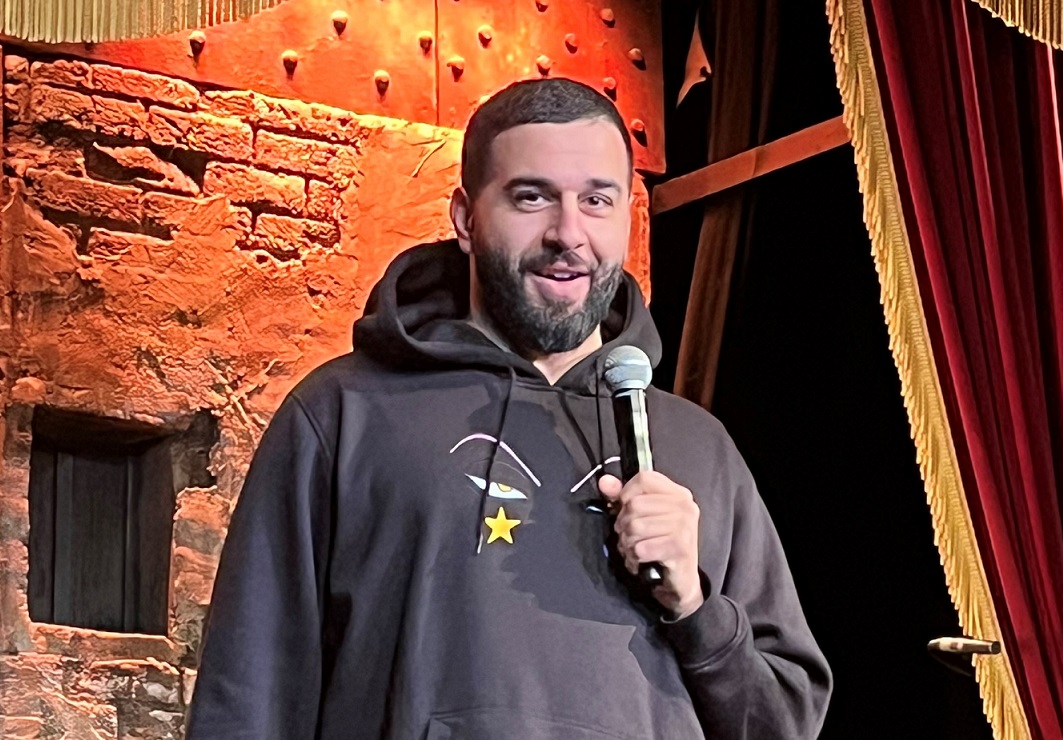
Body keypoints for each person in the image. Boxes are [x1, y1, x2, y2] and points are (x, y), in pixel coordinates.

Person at [185, 77, 831, 739]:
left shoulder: (699, 447)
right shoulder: (343, 414)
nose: (568, 233)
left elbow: (782, 723)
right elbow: (248, 701)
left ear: (628, 219)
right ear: (466, 218)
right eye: (532, 197)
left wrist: (694, 605)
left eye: (597, 200)